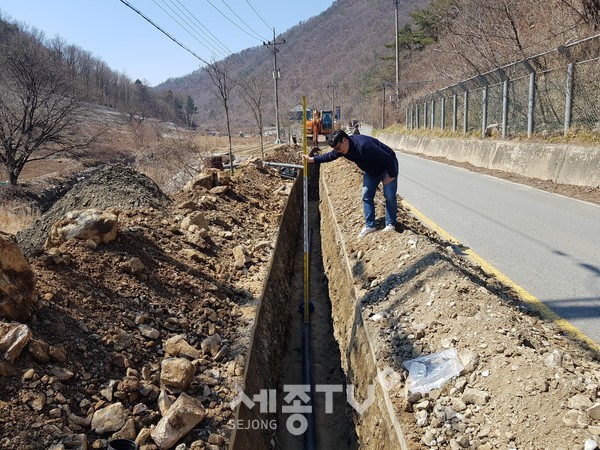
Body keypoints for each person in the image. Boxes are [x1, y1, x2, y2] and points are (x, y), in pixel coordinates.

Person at [303, 129, 398, 238]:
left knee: (389, 195)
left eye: (338, 148)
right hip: (371, 171)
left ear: (345, 140)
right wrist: (312, 159)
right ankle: (370, 225)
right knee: (366, 196)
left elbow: (388, 157)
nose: (338, 151)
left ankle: (390, 224)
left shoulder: (364, 146)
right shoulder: (342, 149)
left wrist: (392, 174)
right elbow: (329, 156)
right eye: (336, 149)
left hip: (387, 167)